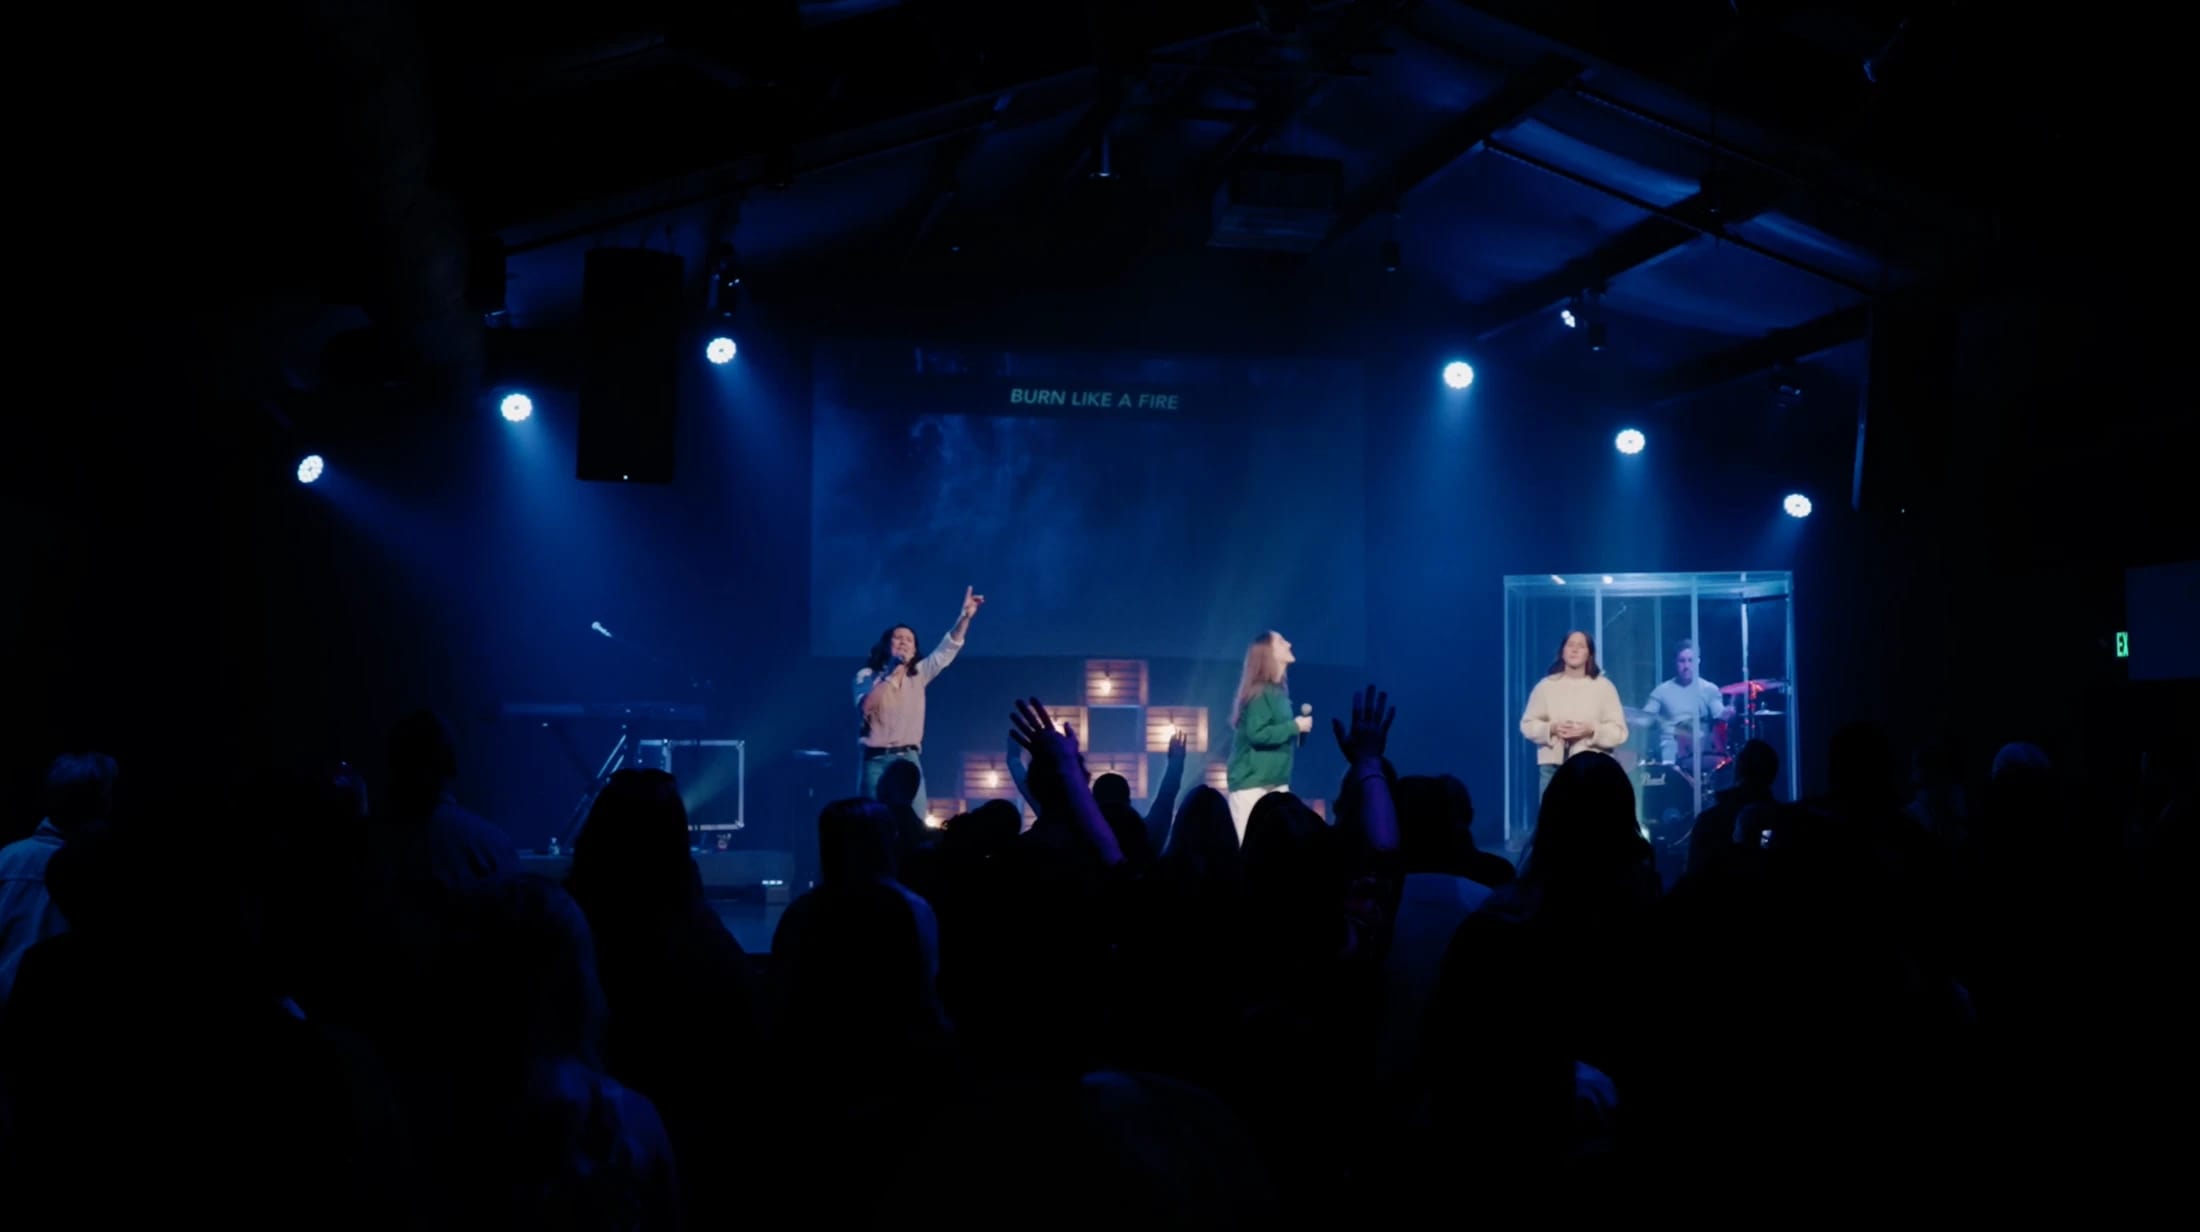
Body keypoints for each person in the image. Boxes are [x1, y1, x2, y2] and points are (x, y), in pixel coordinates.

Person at [854, 586, 984, 819]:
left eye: (909, 640)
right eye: (898, 638)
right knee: (871, 825)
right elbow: (866, 707)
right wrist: (891, 675)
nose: (903, 642)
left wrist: (965, 617)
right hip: (875, 760)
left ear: (914, 650)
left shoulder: (919, 674)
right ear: (887, 644)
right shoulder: (867, 675)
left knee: (914, 822)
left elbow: (948, 648)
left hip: (908, 758)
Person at [1519, 630, 1629, 801]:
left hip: (1593, 768)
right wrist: (1552, 728)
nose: (1574, 650)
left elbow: (1619, 733)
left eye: (1581, 646)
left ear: (1589, 654)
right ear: (1562, 651)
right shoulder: (1546, 686)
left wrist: (1591, 730)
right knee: (1554, 823)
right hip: (1553, 767)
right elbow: (1527, 725)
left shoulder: (1604, 687)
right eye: (1570, 645)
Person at [1225, 631, 1313, 843]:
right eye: (1282, 641)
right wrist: (1294, 726)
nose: (1289, 643)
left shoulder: (1278, 692)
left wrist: (1298, 729)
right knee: (1248, 847)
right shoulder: (1260, 692)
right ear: (1269, 654)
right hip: (1252, 786)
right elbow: (1258, 734)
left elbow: (1279, 733)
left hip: (1276, 783)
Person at [1643, 639, 1734, 765]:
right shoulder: (1661, 691)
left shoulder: (1709, 689)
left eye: (1691, 660)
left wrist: (1727, 714)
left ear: (1698, 662)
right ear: (1675, 663)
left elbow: (1719, 714)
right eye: (1682, 661)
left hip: (1701, 749)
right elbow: (1645, 717)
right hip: (1670, 749)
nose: (1686, 666)